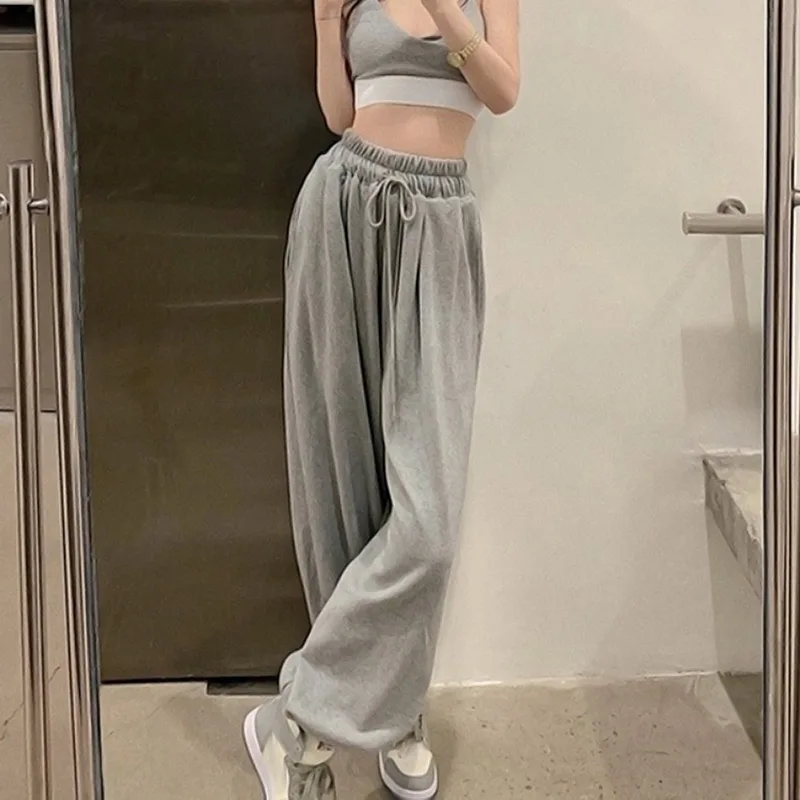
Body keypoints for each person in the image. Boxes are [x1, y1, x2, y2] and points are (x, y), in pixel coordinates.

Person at [243, 0, 520, 797]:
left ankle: (298, 716)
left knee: (426, 520)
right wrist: (326, 23)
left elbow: (502, 92)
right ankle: (379, 719)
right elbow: (339, 115)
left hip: (437, 228)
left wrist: (443, 11)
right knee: (343, 479)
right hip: (344, 207)